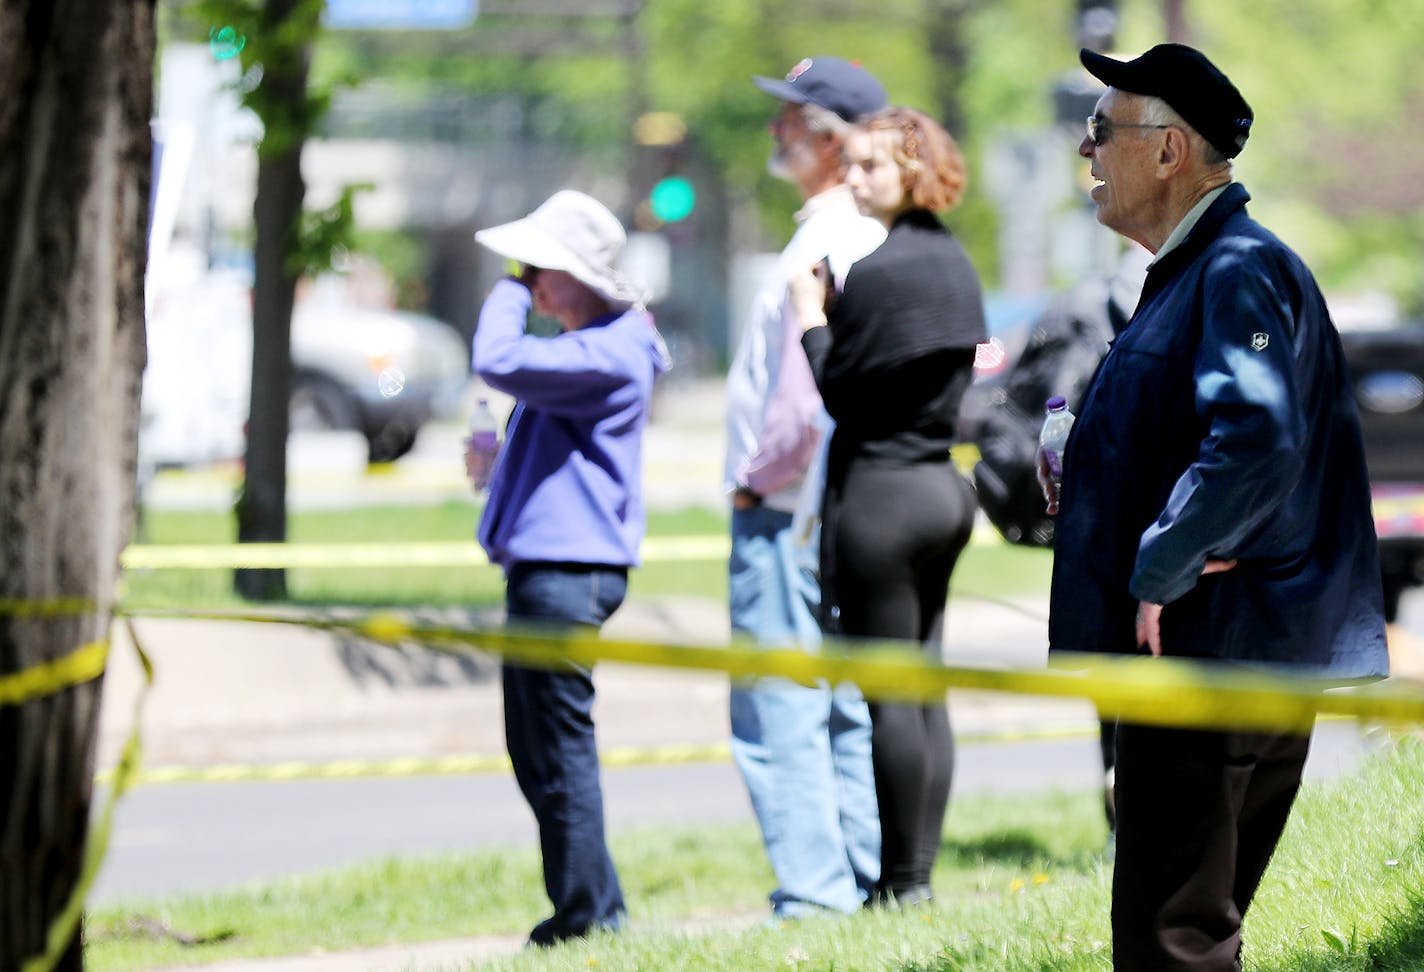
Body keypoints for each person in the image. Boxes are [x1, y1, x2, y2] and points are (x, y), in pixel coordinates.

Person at [1046, 44, 1389, 970]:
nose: (1087, 153)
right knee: (1190, 926)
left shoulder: (1236, 268)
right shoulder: (1196, 271)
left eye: (1101, 132)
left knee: (1172, 938)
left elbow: (1253, 440)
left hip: (1216, 647)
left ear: (1168, 151)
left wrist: (1163, 564)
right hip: (1212, 645)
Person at [791, 105, 987, 906]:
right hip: (941, 490)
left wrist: (813, 320)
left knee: (890, 697)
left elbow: (841, 391)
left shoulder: (883, 270)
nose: (855, 176)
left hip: (882, 497)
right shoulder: (955, 264)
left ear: (912, 171)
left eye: (872, 165)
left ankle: (901, 887)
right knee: (923, 686)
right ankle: (917, 877)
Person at [467, 189, 669, 946]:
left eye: (539, 267)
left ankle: (588, 916)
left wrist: (503, 291)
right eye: (523, 269)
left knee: (557, 750)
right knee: (538, 748)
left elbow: (495, 357)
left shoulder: (609, 351)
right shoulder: (587, 352)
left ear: (583, 275)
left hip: (566, 571)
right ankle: (593, 904)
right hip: (551, 565)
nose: (528, 279)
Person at [723, 55, 888, 920]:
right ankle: (858, 877)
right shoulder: (864, 235)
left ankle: (816, 897)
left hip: (785, 512)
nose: (776, 129)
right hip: (829, 509)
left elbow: (797, 406)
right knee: (842, 703)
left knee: (780, 708)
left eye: (791, 116)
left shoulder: (823, 242)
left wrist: (753, 486)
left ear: (831, 139)